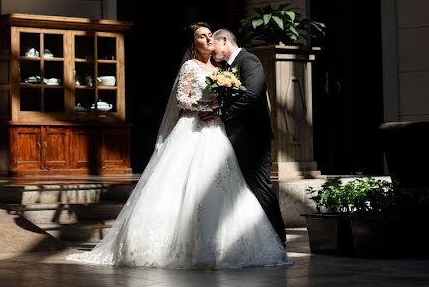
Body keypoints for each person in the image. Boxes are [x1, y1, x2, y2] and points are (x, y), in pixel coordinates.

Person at [67, 23, 289, 269]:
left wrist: (217, 108)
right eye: (203, 37)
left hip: (218, 131)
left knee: (225, 184)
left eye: (210, 36)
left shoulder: (224, 67)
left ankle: (244, 242)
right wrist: (205, 108)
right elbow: (181, 99)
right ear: (193, 44)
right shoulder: (190, 67)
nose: (208, 40)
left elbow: (245, 96)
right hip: (192, 128)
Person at [205, 28, 286, 245]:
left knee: (260, 185)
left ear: (224, 41)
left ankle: (279, 238)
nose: (211, 50)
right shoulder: (225, 68)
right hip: (233, 137)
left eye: (214, 44)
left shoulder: (249, 61)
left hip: (253, 138)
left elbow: (252, 94)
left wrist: (222, 114)